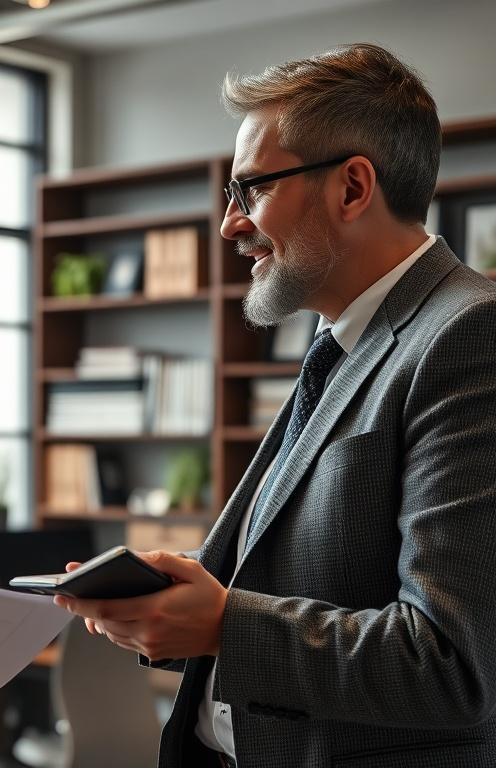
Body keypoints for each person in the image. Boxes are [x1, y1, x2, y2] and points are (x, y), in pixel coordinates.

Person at [55, 43, 496, 767]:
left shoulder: (469, 335)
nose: (230, 224)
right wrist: (174, 600)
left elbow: (453, 663)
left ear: (353, 188)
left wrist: (226, 624)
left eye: (250, 189)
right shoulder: (341, 339)